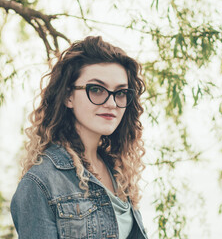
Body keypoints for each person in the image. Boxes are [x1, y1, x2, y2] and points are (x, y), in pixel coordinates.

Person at [10, 36, 147, 239]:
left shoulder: (117, 170)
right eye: (97, 89)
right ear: (68, 96)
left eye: (120, 92)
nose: (111, 103)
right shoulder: (40, 183)